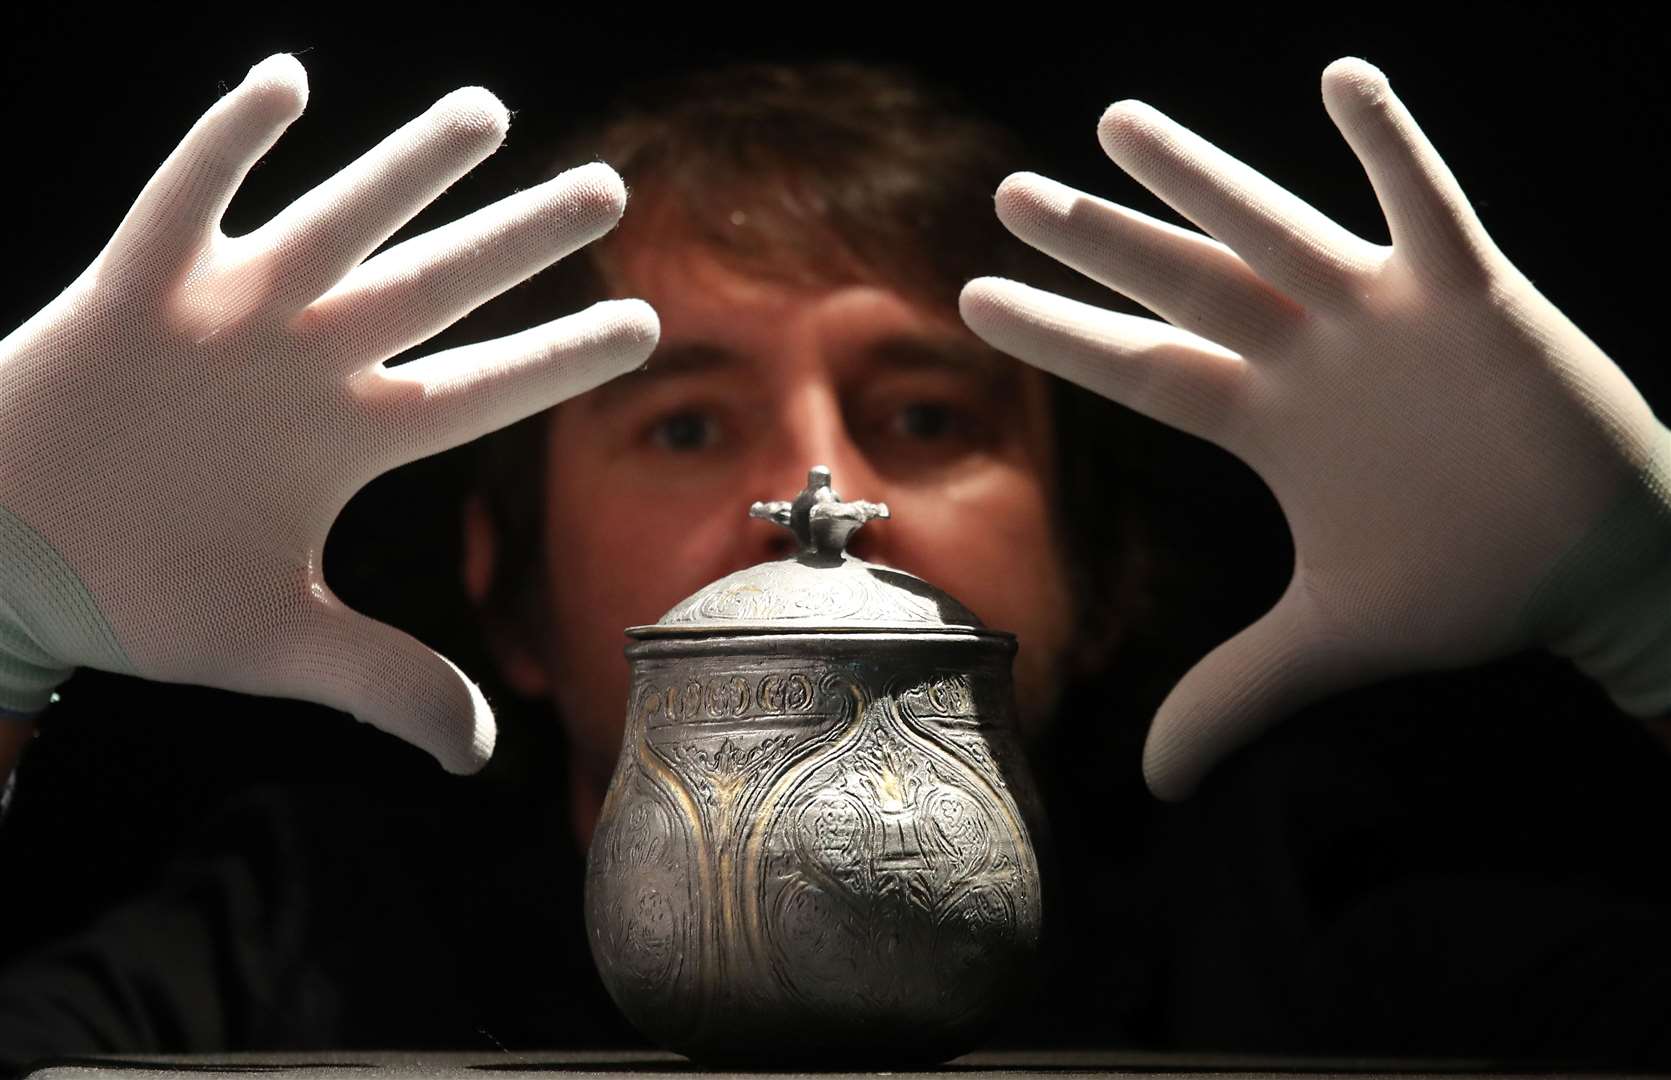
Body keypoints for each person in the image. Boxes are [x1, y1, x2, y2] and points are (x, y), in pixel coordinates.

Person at [1, 50, 1670, 1070]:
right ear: (504, 584)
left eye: (930, 414)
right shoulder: (284, 948)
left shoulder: (1338, 957)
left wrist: (1656, 601)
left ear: (1095, 578)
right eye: (680, 425)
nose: (815, 478)